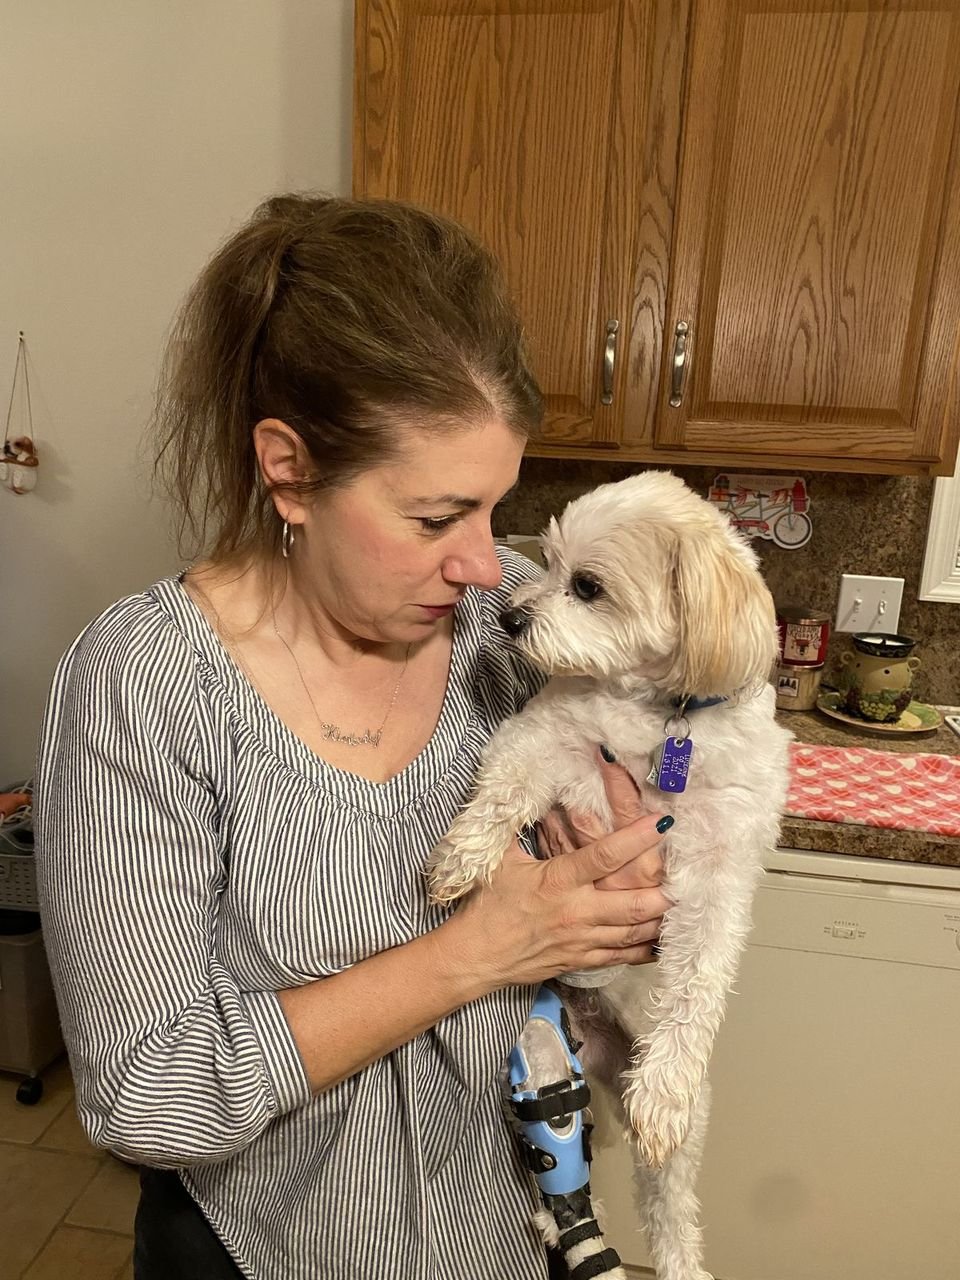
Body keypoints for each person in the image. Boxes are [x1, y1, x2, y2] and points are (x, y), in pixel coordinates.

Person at [34, 194, 671, 1280]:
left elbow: (688, 740)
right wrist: (476, 951)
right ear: (288, 468)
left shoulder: (514, 624)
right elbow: (147, 1092)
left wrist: (651, 853)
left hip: (513, 1241)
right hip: (257, 1250)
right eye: (436, 517)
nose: (483, 560)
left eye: (495, 506)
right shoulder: (146, 685)